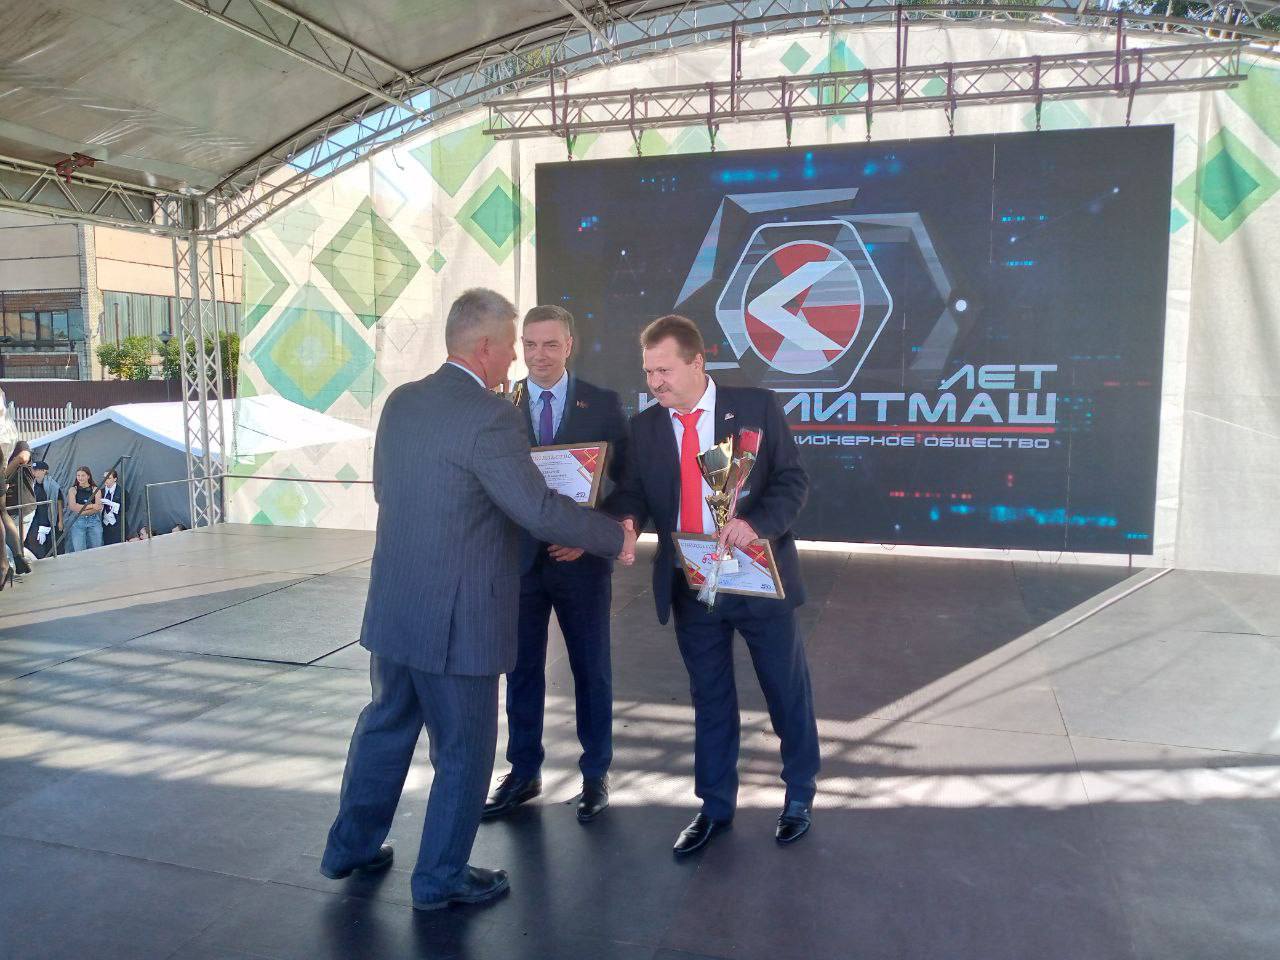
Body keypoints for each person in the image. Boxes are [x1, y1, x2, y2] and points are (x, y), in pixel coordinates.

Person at [320, 288, 637, 912]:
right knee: (464, 751)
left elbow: (388, 490)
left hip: (396, 607)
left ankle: (348, 849)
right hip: (458, 621)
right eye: (513, 346)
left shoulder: (402, 401)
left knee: (384, 728)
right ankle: (439, 879)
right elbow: (535, 508)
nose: (517, 361)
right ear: (487, 346)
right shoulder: (492, 416)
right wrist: (613, 537)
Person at [604, 314, 820, 856]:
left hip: (756, 576)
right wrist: (625, 521)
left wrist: (755, 525)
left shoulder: (755, 408)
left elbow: (792, 480)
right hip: (691, 582)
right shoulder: (646, 428)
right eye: (648, 372)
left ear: (698, 362)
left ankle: (799, 793)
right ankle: (715, 806)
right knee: (710, 697)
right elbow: (632, 492)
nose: (655, 382)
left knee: (784, 689)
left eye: (665, 371)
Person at [483, 305, 629, 824]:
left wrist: (589, 537)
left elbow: (626, 484)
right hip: (518, 561)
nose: (538, 355)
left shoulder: (603, 404)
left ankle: (596, 774)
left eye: (550, 344)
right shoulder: (500, 405)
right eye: (529, 344)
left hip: (581, 565)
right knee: (521, 670)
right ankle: (523, 772)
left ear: (569, 346)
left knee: (591, 669)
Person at [1, 441, 33, 580]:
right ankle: (17, 558)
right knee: (3, 514)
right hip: (12, 505)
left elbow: (23, 457)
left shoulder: (20, 445)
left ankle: (7, 567)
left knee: (6, 545)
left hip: (22, 506)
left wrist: (3, 475)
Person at [24, 461, 63, 560]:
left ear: (44, 471)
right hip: (36, 519)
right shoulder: (33, 485)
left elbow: (58, 503)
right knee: (36, 546)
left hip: (50, 519)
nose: (34, 472)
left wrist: (60, 521)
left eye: (37, 470)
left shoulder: (52, 486)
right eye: (33, 470)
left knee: (52, 547)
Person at [65, 466, 103, 552]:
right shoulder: (73, 490)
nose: (80, 478)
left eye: (83, 475)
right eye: (78, 475)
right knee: (79, 550)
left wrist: (81, 510)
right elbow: (73, 506)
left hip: (94, 521)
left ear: (88, 476)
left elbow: (98, 507)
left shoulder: (95, 489)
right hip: (78, 522)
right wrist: (91, 505)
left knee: (97, 549)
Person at [100, 469, 123, 546]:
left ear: (115, 479)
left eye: (108, 478)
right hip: (104, 526)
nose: (105, 480)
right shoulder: (101, 492)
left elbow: (126, 508)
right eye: (104, 478)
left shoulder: (122, 491)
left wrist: (111, 504)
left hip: (117, 526)